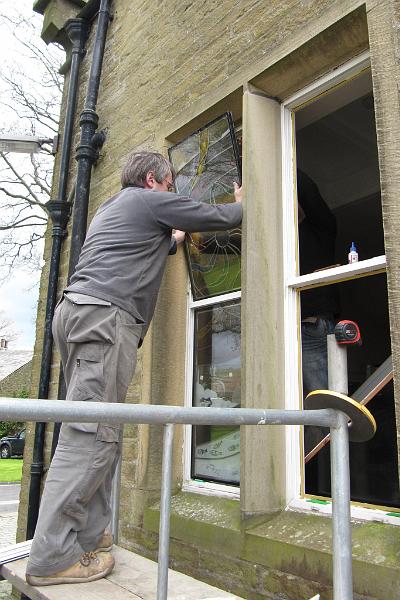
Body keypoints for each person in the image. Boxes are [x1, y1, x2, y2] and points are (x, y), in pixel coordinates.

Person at [26, 151, 242, 586]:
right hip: (106, 318)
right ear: (151, 180)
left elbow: (143, 248)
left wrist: (172, 240)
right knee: (91, 434)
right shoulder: (146, 200)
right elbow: (213, 216)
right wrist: (242, 201)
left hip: (77, 314)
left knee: (100, 430)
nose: (169, 196)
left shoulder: (112, 208)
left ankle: (89, 536)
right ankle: (51, 556)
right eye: (168, 188)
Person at [298, 171, 340, 459]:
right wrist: (207, 245)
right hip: (290, 327)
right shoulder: (284, 240)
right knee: (295, 406)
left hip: (313, 329)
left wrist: (286, 160)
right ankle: (303, 476)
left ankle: (330, 479)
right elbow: (240, 245)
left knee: (324, 408)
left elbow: (309, 194)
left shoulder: (321, 229)